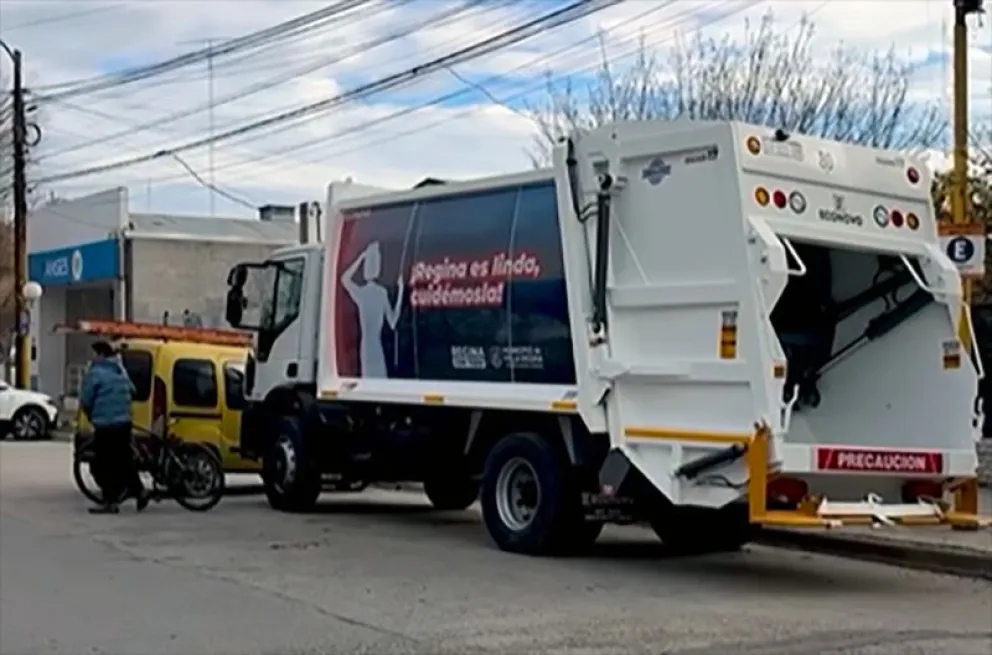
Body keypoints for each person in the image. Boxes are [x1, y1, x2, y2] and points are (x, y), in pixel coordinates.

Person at [80, 340, 148, 514]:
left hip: (106, 424)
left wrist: (90, 413)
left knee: (104, 464)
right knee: (124, 460)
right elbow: (132, 390)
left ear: (101, 355)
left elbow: (86, 398)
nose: (92, 358)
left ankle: (110, 501)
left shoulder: (96, 373)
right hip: (124, 422)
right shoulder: (120, 370)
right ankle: (139, 490)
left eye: (95, 354)